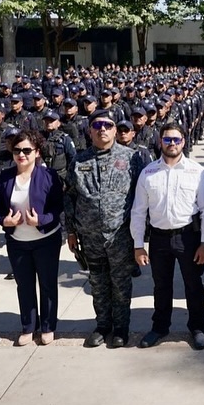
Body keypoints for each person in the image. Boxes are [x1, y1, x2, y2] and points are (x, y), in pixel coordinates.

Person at [65, 109, 142, 349]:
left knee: (120, 284)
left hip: (119, 235)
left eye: (107, 125)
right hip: (90, 235)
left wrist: (140, 236)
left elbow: (141, 198)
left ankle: (121, 329)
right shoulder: (79, 160)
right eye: (97, 125)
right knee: (97, 284)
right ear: (89, 130)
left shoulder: (132, 158)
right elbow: (70, 196)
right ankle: (102, 326)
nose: (102, 130)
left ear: (115, 129)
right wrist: (70, 231)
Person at [131, 123, 204, 351]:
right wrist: (138, 246)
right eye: (167, 140)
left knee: (193, 284)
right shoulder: (148, 173)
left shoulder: (197, 171)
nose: (172, 144)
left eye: (176, 139)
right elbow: (138, 211)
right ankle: (160, 327)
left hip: (188, 237)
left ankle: (197, 327)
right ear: (160, 142)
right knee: (161, 286)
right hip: (158, 239)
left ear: (183, 142)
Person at [0, 129, 65, 347]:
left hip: (46, 239)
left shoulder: (49, 175)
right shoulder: (5, 176)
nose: (21, 154)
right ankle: (28, 326)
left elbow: (58, 208)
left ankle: (48, 326)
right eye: (17, 150)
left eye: (26, 150)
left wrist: (41, 219)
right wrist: (4, 221)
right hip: (17, 241)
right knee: (24, 285)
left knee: (47, 284)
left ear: (37, 152)